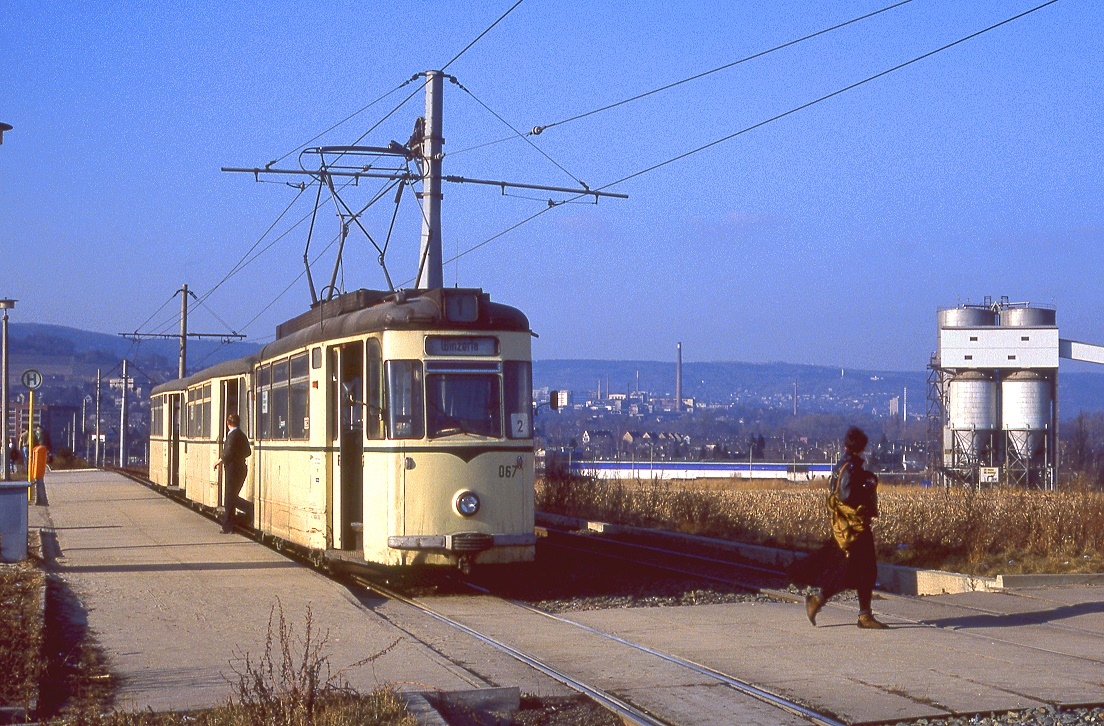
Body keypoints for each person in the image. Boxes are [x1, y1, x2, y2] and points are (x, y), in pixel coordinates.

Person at [803, 426, 887, 630]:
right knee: (864, 570)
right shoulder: (851, 468)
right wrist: (867, 486)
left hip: (845, 526)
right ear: (862, 447)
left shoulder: (842, 465)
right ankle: (860, 614)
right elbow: (847, 496)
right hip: (854, 527)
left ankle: (823, 601)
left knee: (854, 570)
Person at [213, 413, 251, 534]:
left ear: (228, 423)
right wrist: (239, 456)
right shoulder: (242, 435)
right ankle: (229, 525)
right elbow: (248, 452)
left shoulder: (232, 435)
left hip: (232, 468)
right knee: (231, 496)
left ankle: (249, 509)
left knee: (230, 497)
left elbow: (228, 452)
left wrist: (219, 461)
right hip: (241, 467)